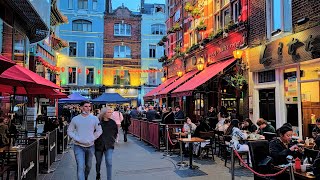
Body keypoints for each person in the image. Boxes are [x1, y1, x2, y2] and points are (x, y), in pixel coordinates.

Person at [67, 101, 102, 180]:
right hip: (78, 146)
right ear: (81, 107)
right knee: (80, 166)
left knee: (88, 166)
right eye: (86, 106)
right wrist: (77, 138)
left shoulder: (94, 118)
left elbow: (99, 130)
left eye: (89, 106)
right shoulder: (75, 119)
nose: (88, 108)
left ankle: (85, 177)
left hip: (90, 146)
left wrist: (93, 138)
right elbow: (69, 131)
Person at [95, 107, 118, 180]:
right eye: (109, 112)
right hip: (98, 145)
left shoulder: (112, 122)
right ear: (104, 113)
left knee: (109, 162)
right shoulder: (98, 122)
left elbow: (115, 132)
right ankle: (98, 173)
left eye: (111, 112)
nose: (111, 114)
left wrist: (112, 140)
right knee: (98, 162)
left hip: (109, 145)